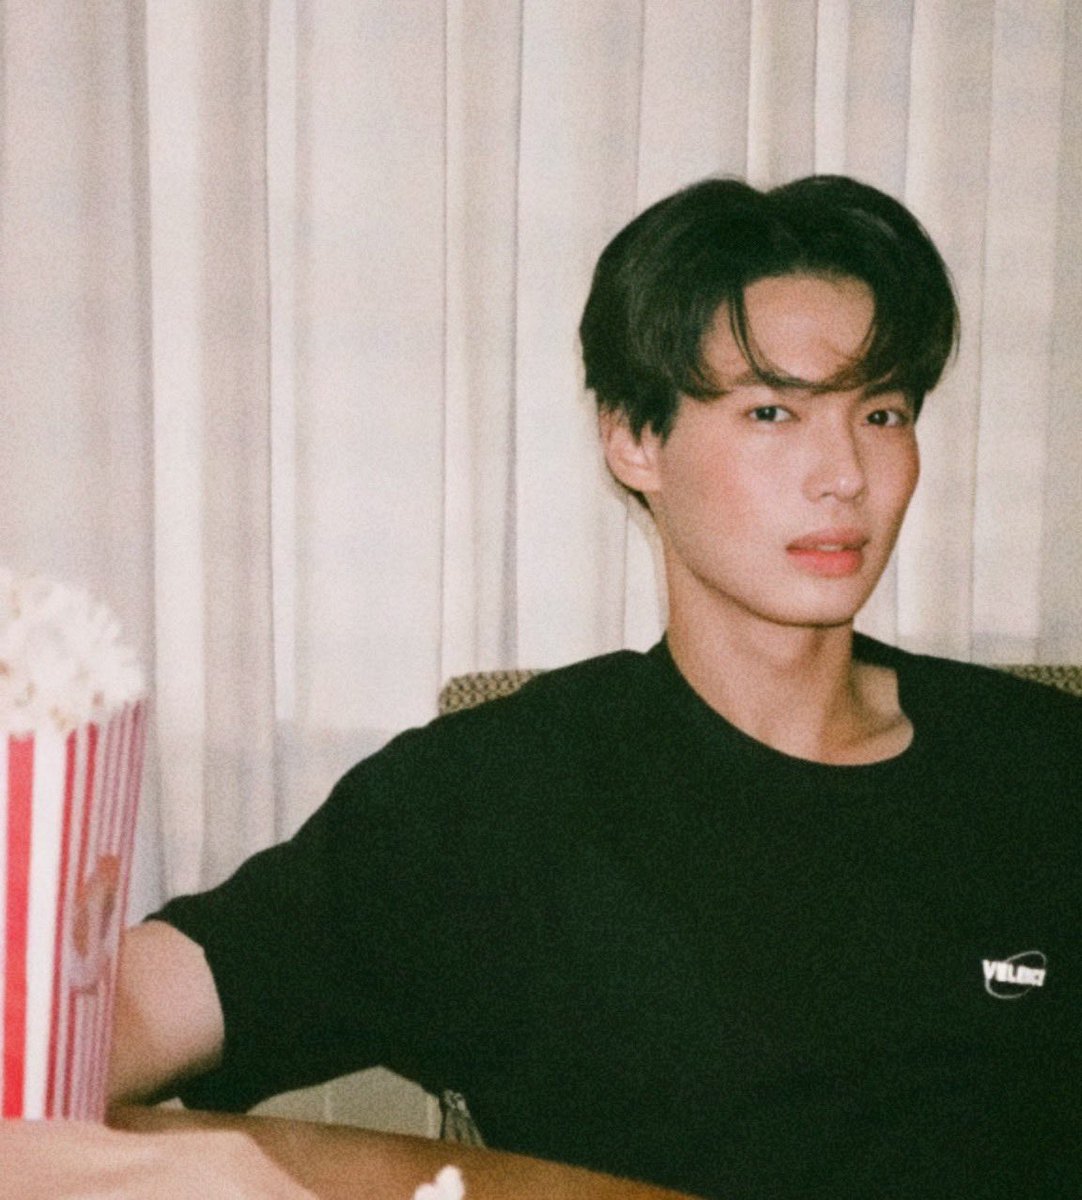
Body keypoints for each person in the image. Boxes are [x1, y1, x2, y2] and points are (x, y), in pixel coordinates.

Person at [20, 175, 1082, 1198]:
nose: (844, 475)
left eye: (882, 415)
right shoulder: (492, 799)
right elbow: (119, 1015)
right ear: (633, 440)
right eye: (771, 414)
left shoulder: (1041, 762)